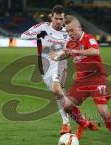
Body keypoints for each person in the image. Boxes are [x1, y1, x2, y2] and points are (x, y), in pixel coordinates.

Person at [50, 15, 111, 145]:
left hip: (97, 78)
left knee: (102, 111)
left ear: (79, 28)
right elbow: (67, 54)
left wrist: (75, 51)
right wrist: (57, 56)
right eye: (68, 31)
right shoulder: (69, 43)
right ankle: (84, 123)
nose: (70, 33)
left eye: (72, 30)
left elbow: (95, 51)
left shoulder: (88, 38)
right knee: (66, 105)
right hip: (81, 80)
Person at [20, 5, 71, 135]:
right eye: (56, 18)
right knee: (58, 95)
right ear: (51, 17)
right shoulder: (43, 27)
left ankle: (67, 123)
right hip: (45, 66)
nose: (59, 21)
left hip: (60, 64)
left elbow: (69, 52)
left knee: (57, 90)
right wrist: (38, 35)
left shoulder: (67, 34)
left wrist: (61, 55)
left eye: (61, 19)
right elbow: (23, 36)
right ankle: (74, 119)